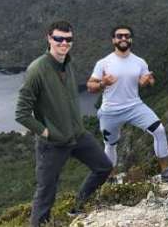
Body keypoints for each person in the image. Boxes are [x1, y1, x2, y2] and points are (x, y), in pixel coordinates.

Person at [16, 21, 112, 226]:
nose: (63, 43)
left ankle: (78, 207)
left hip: (77, 135)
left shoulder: (67, 63)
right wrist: (47, 133)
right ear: (49, 38)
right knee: (46, 192)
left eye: (68, 39)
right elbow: (21, 114)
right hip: (52, 144)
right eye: (58, 38)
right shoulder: (37, 70)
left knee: (104, 167)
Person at [87, 25, 168, 182]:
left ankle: (165, 171)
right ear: (113, 40)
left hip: (135, 106)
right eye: (119, 36)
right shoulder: (104, 63)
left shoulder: (139, 62)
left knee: (159, 130)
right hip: (110, 111)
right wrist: (102, 83)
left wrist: (147, 81)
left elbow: (150, 79)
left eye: (127, 36)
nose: (123, 39)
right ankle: (111, 179)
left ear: (131, 39)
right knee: (111, 145)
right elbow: (90, 86)